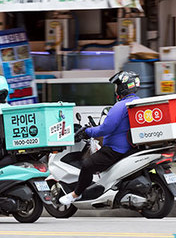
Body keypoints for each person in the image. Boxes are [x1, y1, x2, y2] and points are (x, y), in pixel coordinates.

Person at [59, 71, 141, 205]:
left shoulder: (120, 106)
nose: (116, 90)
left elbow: (105, 129)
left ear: (123, 87)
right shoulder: (138, 102)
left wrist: (88, 132)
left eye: (117, 86)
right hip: (131, 148)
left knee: (87, 165)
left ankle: (76, 194)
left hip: (116, 151)